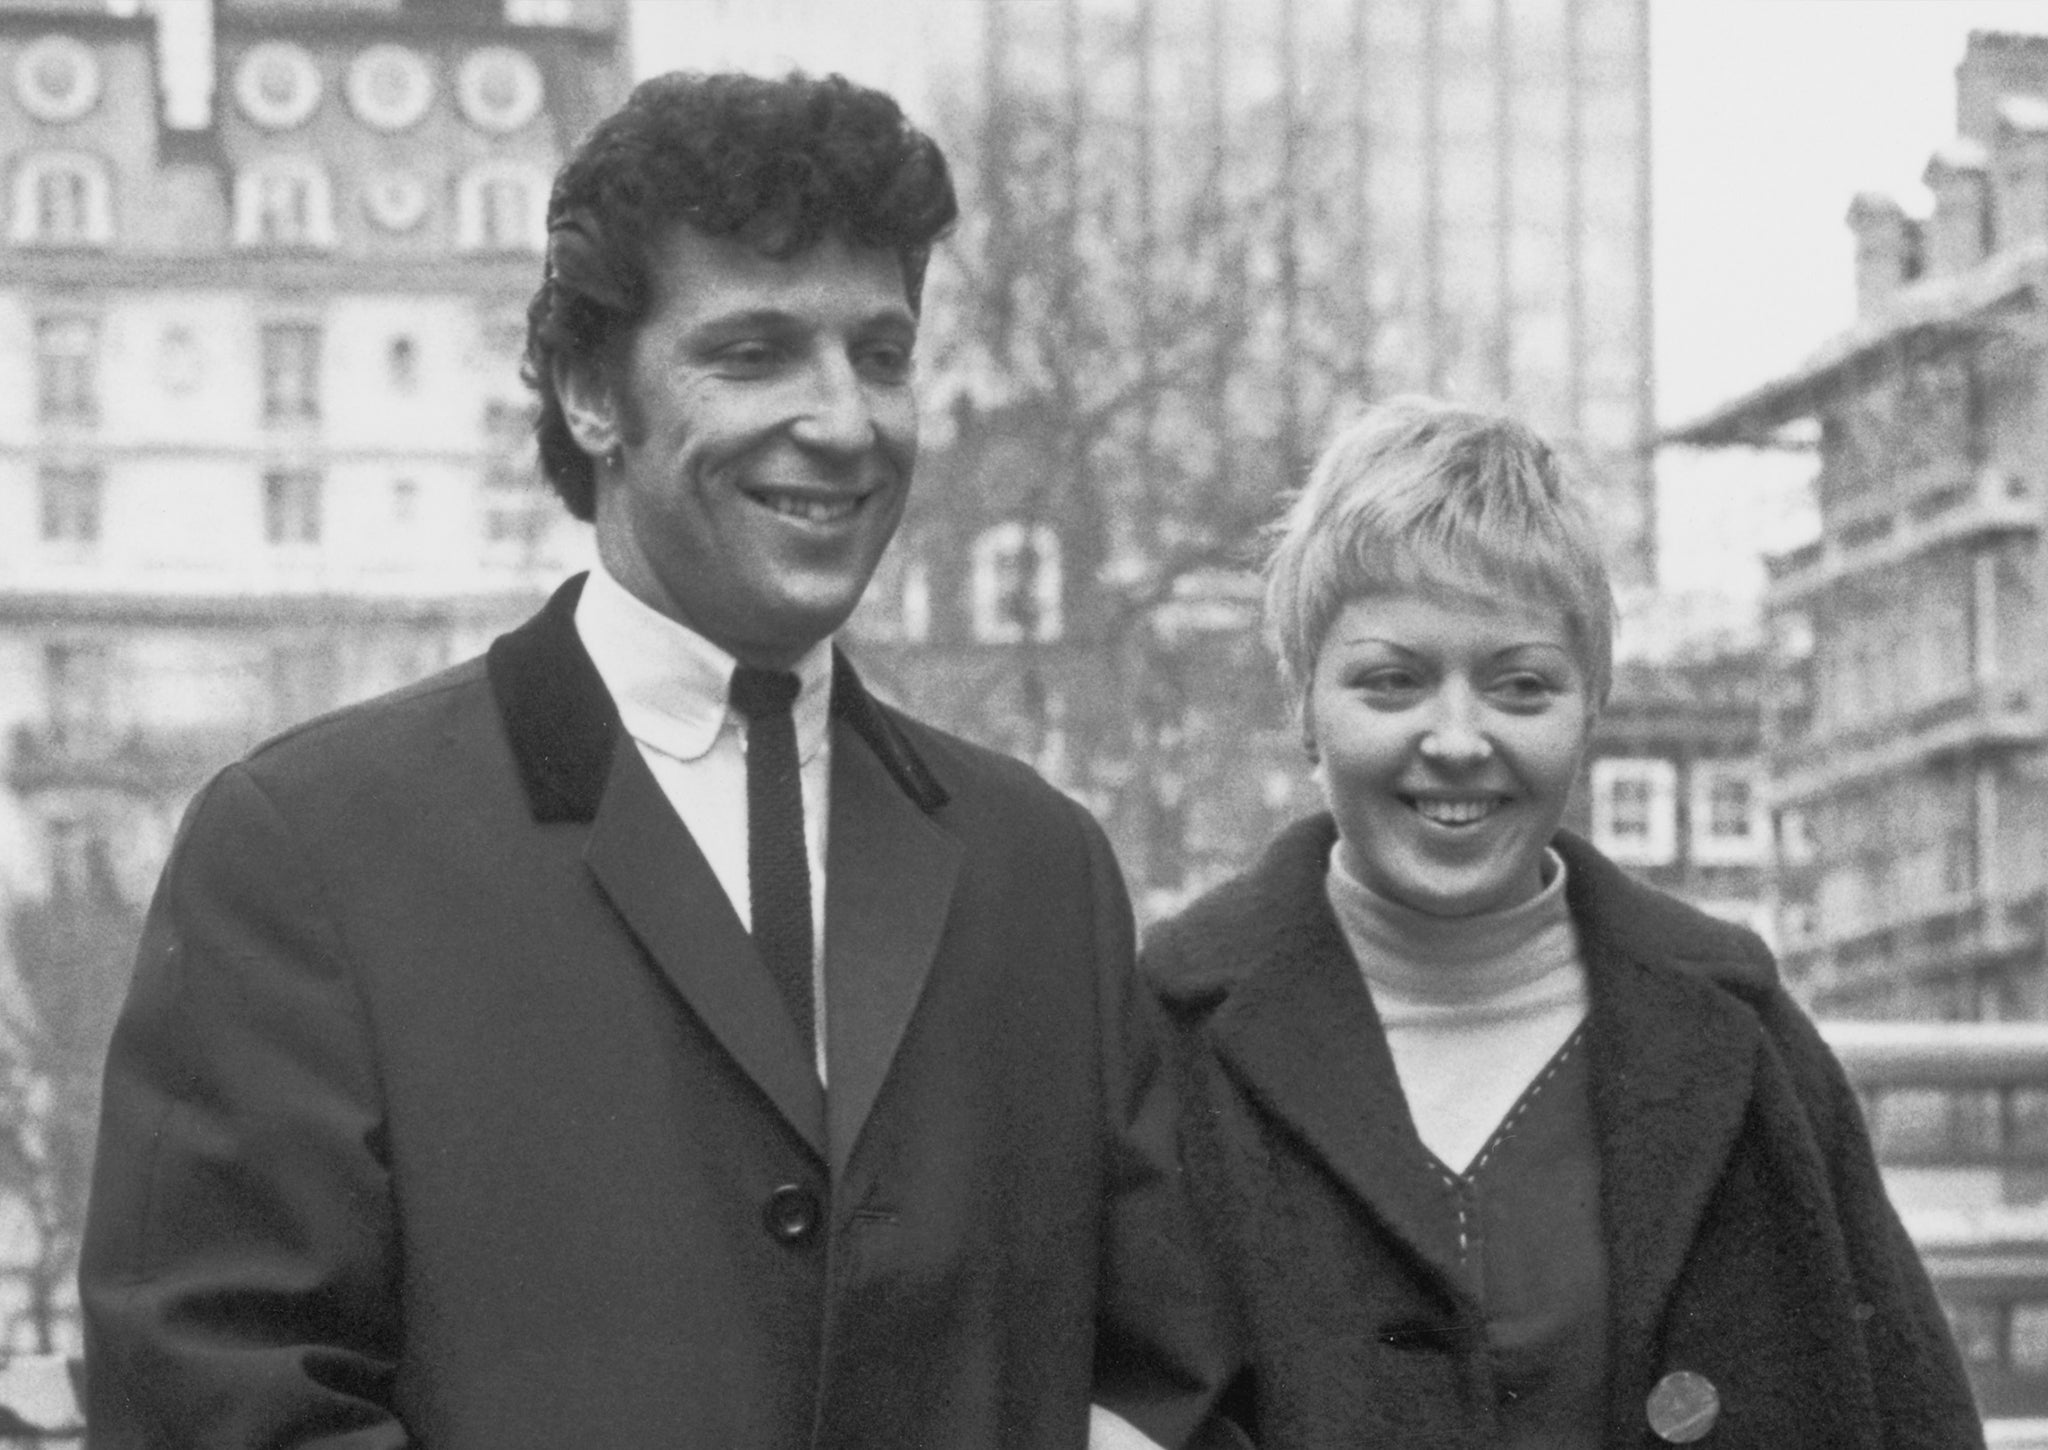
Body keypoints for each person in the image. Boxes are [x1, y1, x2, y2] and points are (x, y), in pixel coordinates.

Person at [80, 71, 1225, 1449]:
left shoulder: (1043, 869)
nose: (846, 418)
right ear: (587, 393)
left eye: (882, 352)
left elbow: (1161, 1389)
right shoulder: (308, 850)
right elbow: (220, 1399)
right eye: (753, 354)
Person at [1140, 396, 1985, 1448]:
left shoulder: (1743, 1042)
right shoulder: (1158, 1045)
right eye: (1392, 681)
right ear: (1302, 702)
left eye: (1519, 685)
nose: (1455, 738)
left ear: (1592, 703)